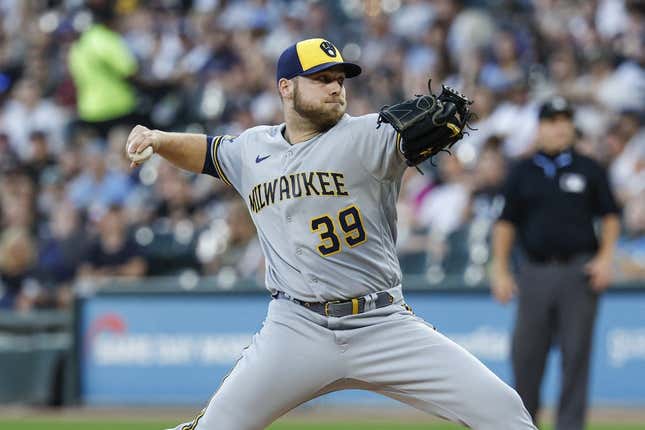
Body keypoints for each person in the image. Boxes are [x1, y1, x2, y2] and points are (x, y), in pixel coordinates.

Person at [126, 38, 535, 430]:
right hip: (295, 327)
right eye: (322, 79)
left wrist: (451, 112)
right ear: (286, 88)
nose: (336, 88)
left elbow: (427, 125)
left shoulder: (369, 135)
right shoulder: (253, 149)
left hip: (380, 322)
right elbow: (208, 151)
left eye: (340, 79)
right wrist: (159, 140)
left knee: (502, 409)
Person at [490, 97, 621, 430]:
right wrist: (501, 269)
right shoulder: (522, 171)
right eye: (552, 120)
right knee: (526, 359)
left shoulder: (589, 168)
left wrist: (606, 259)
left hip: (579, 273)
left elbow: (610, 217)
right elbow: (506, 224)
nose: (560, 126)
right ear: (540, 127)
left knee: (576, 359)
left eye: (565, 119)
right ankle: (523, 425)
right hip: (533, 272)